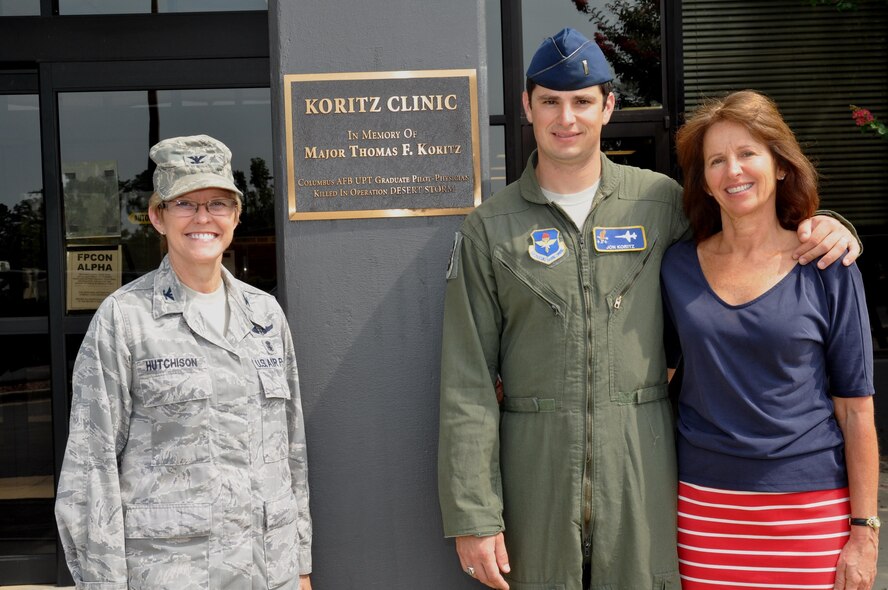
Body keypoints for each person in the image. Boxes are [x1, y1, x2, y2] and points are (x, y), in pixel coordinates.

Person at [437, 28, 861, 590]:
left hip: (644, 475)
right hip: (533, 478)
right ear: (527, 108)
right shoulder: (490, 228)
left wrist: (829, 226)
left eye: (583, 100)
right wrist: (474, 514)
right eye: (550, 102)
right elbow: (466, 382)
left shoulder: (659, 202)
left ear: (609, 106)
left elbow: (746, 234)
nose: (568, 118)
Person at [55, 135, 313, 590]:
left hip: (268, 572)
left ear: (235, 215)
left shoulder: (265, 315)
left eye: (217, 203)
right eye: (184, 204)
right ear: (158, 216)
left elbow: (291, 451)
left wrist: (300, 565)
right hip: (172, 574)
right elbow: (89, 469)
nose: (202, 218)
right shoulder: (125, 319)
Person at [662, 90, 878, 589]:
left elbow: (856, 410)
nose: (732, 170)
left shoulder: (828, 265)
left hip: (810, 513)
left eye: (747, 154)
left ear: (780, 165)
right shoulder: (676, 266)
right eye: (717, 160)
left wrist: (864, 534)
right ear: (705, 182)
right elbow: (653, 370)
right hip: (704, 508)